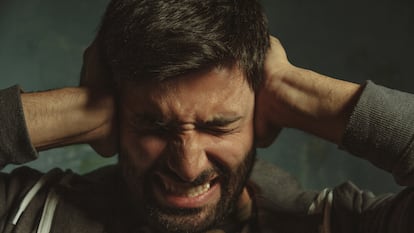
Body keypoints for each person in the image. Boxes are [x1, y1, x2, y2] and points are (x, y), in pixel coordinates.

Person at [1, 0, 414, 232]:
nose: (187, 165)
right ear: (116, 119)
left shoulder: (342, 226)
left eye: (218, 125)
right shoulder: (26, 214)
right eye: (154, 125)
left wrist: (293, 88)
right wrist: (81, 106)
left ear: (262, 118)